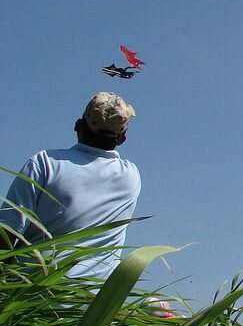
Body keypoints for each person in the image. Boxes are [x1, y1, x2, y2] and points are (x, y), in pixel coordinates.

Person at [0, 92, 141, 280]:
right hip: (93, 296)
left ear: (78, 125)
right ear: (122, 139)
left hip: (29, 291)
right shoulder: (131, 176)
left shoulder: (45, 162)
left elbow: (7, 233)